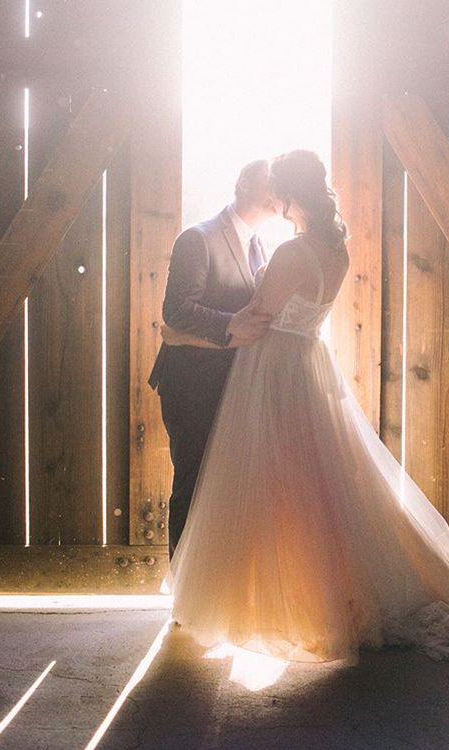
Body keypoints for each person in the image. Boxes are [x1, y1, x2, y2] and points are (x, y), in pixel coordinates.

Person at [161, 150, 449, 664]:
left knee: (263, 488)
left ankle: (270, 601)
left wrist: (179, 334)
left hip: (272, 372)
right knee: (320, 487)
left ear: (287, 196)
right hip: (307, 363)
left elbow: (256, 317)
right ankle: (328, 590)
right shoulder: (336, 250)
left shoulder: (289, 253)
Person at [148, 160, 276, 559]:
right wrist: (232, 325)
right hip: (191, 381)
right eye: (269, 182)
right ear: (242, 184)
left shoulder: (259, 244)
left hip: (231, 382)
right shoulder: (198, 238)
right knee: (192, 480)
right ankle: (183, 586)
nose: (276, 191)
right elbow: (176, 311)